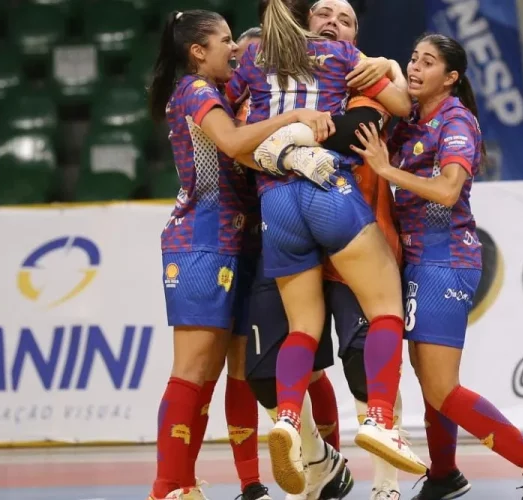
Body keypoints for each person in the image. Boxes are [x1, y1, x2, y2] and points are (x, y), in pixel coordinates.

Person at [350, 33, 523, 500]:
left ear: (450, 78)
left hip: (445, 258)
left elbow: (449, 190)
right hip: (415, 258)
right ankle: (444, 475)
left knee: (442, 387)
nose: (414, 68)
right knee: (428, 378)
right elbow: (384, 79)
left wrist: (385, 169)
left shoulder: (457, 121)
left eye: (427, 63)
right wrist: (385, 62)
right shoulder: (410, 116)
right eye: (413, 59)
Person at [225, 0, 426, 495]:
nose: (334, 22)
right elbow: (404, 106)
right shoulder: (342, 56)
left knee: (302, 327)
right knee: (387, 311)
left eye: (345, 16)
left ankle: (290, 420)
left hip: (275, 203)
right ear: (305, 18)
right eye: (323, 11)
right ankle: (381, 420)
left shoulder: (253, 59)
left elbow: (226, 124)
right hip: (328, 191)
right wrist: (391, 71)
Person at [146, 9, 336, 500]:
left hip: (236, 242)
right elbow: (232, 144)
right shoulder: (196, 90)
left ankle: (188, 485)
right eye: (226, 41)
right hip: (202, 242)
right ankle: (168, 487)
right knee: (191, 372)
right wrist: (295, 116)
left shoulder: (220, 93)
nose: (234, 49)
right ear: (197, 51)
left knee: (216, 373)